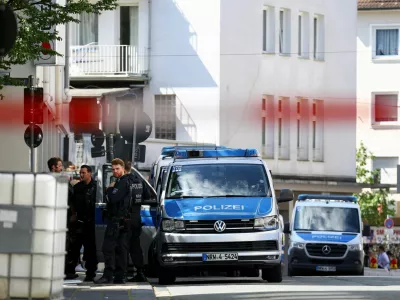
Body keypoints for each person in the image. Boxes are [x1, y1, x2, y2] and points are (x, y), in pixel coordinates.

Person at [94, 158, 132, 284]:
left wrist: (109, 189)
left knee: (108, 248)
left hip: (117, 221)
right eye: (113, 169)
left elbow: (114, 198)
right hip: (121, 220)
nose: (115, 171)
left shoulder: (122, 182)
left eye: (117, 169)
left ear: (123, 169)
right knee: (120, 249)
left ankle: (108, 275)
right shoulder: (122, 181)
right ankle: (120, 276)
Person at [65, 165, 98, 282]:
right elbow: (72, 202)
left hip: (90, 222)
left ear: (90, 173)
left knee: (90, 249)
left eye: (84, 173)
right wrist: (74, 214)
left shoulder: (96, 187)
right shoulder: (77, 187)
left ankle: (90, 273)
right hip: (79, 222)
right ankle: (70, 271)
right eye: (80, 173)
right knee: (74, 247)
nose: (81, 175)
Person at [47, 157, 77, 280]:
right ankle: (62, 271)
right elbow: (70, 194)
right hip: (62, 216)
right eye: (59, 165)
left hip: (55, 215)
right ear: (53, 167)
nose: (61, 168)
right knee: (63, 245)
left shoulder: (46, 180)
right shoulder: (59, 179)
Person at [124, 161, 147, 282]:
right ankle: (140, 272)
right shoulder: (140, 181)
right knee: (135, 247)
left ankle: (122, 274)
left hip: (126, 218)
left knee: (122, 246)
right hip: (136, 217)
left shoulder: (124, 181)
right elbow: (148, 196)